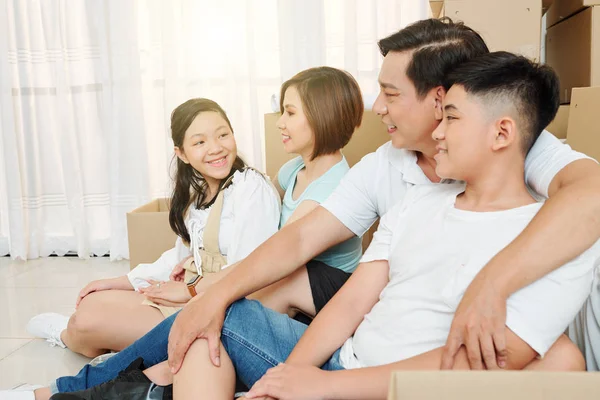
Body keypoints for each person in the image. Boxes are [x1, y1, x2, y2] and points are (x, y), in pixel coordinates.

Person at [168, 51, 598, 400]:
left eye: (450, 118)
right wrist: (292, 379)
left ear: (502, 134)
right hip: (342, 363)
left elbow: (482, 364)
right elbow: (352, 302)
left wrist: (326, 387)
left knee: (563, 359)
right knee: (217, 314)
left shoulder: (557, 233)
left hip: (386, 388)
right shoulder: (419, 201)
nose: (438, 131)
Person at [9, 66, 365, 400]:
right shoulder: (292, 171)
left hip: (303, 302)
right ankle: (114, 375)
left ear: (322, 115)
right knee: (197, 322)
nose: (279, 123)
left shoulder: (332, 192)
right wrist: (187, 280)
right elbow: (234, 249)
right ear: (181, 153)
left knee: (202, 321)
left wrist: (193, 290)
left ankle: (78, 386)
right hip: (272, 291)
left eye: (289, 112)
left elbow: (268, 261)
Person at [25, 98, 281, 358]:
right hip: (199, 295)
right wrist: (120, 281)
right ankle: (107, 344)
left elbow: (249, 271)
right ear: (181, 153)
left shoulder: (251, 188)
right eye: (200, 142)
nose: (216, 148)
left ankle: (71, 338)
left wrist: (188, 291)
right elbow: (177, 257)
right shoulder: (201, 192)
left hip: (226, 310)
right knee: (91, 303)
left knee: (85, 321)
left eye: (223, 135)